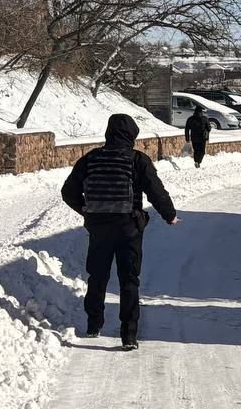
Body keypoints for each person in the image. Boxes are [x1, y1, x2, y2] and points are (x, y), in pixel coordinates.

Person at [61, 114, 179, 350]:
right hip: (129, 228)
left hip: (98, 228)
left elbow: (68, 192)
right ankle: (129, 335)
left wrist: (86, 211)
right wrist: (170, 215)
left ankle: (93, 325)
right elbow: (156, 191)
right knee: (129, 280)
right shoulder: (137, 160)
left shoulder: (91, 158)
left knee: (97, 276)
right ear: (131, 135)